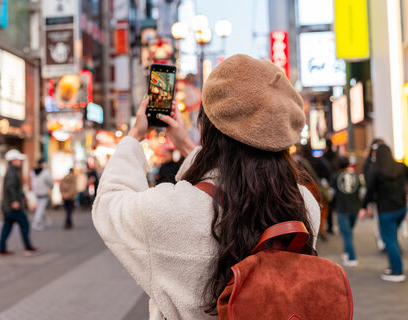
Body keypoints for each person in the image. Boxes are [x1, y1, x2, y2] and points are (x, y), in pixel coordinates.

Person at [92, 55, 320, 319]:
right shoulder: (303, 204)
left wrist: (134, 137)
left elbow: (110, 203)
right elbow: (232, 180)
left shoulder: (173, 210)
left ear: (208, 127)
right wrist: (187, 148)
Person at [360, 144, 408, 282]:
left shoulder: (375, 171)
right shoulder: (400, 166)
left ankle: (397, 272)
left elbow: (369, 192)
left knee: (389, 240)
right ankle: (393, 267)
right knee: (393, 238)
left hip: (386, 211)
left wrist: (363, 207)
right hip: (401, 209)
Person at [0, 149, 39, 257]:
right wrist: (15, 200)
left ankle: (1, 249)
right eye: (19, 160)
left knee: (7, 227)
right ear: (13, 160)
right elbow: (11, 188)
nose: (20, 162)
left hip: (7, 207)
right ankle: (28, 247)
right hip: (12, 206)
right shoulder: (12, 172)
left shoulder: (11, 171)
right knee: (24, 224)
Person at [330, 156, 362, 267]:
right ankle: (346, 253)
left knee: (347, 234)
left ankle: (352, 258)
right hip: (355, 208)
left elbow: (332, 193)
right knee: (348, 233)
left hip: (342, 208)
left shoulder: (335, 176)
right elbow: (361, 191)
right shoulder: (356, 175)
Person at [363, 139, 386, 251]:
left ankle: (390, 242)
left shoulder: (389, 163)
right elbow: (369, 185)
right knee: (378, 221)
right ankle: (381, 241)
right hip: (376, 198)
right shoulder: (369, 165)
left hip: (389, 199)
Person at [30, 158, 54, 231]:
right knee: (40, 209)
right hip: (43, 193)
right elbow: (50, 182)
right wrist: (51, 186)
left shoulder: (33, 172)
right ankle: (36, 223)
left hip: (36, 193)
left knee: (41, 208)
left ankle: (46, 221)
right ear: (43, 163)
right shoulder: (45, 172)